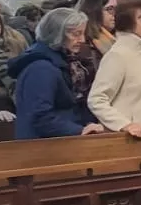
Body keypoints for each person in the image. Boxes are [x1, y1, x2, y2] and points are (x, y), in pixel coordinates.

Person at [10, 8, 106, 139]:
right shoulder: (41, 68)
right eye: (76, 34)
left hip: (56, 140)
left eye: (83, 34)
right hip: (42, 146)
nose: (82, 40)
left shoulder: (59, 61)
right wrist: (79, 130)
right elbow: (40, 116)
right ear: (57, 34)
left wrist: (89, 122)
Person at [88, 0, 141, 150]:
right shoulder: (118, 55)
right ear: (129, 24)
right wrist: (125, 125)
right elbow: (96, 99)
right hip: (128, 143)